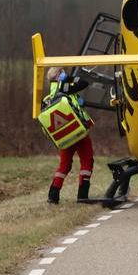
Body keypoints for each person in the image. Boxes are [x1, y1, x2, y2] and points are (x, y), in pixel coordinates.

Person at [40, 67, 95, 203]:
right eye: (63, 72)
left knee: (64, 166)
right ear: (59, 75)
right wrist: (69, 78)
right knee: (87, 163)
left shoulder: (47, 99)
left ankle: (52, 196)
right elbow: (84, 83)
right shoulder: (64, 87)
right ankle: (82, 196)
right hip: (79, 133)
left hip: (63, 137)